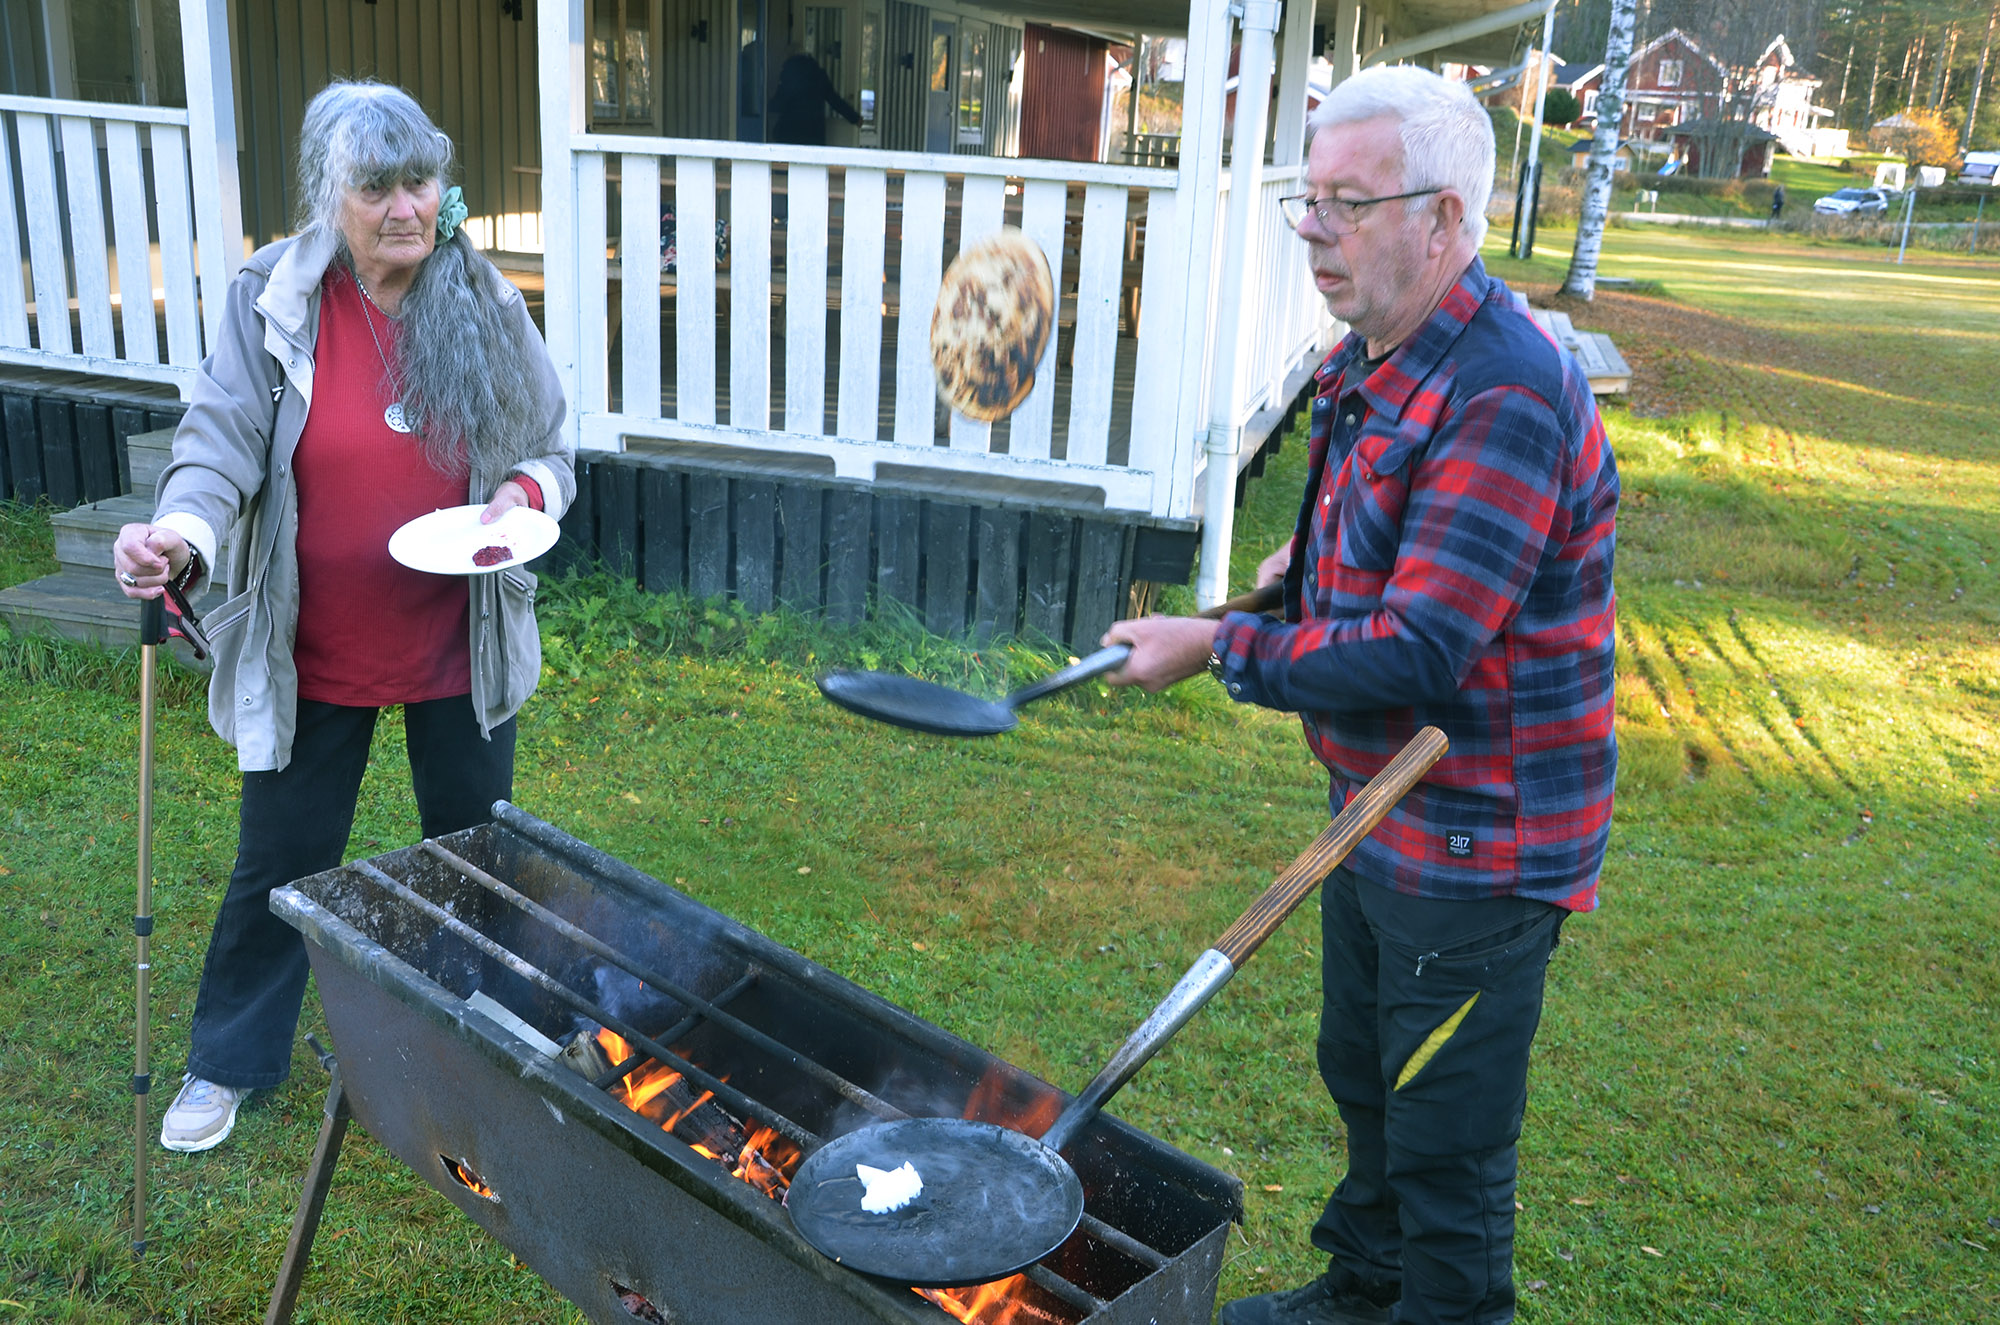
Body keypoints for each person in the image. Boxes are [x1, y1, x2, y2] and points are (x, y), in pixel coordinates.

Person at [1103, 66, 1618, 1325]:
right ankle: (1364, 1289)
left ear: (1443, 219)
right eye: (1307, 197)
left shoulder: (1501, 387)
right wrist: (1290, 581)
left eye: (1347, 202)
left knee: (1445, 1135)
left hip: (1479, 840)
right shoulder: (1380, 352)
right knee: (1365, 1073)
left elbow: (1416, 651)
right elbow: (1369, 555)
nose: (1311, 229)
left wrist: (1212, 651)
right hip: (1380, 811)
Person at [111, 80, 574, 1154]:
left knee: (471, 854)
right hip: (311, 637)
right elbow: (220, 435)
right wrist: (179, 532)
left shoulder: (486, 300)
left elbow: (547, 445)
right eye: (376, 185)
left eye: (420, 179)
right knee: (281, 855)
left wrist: (519, 497)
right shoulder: (273, 296)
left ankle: (484, 1038)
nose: (405, 205)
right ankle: (227, 1058)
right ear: (331, 194)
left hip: (460, 635)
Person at [769, 47, 862, 146]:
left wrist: (764, 107)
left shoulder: (788, 74)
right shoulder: (819, 75)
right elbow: (835, 100)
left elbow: (779, 102)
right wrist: (855, 118)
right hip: (813, 133)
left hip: (789, 131)